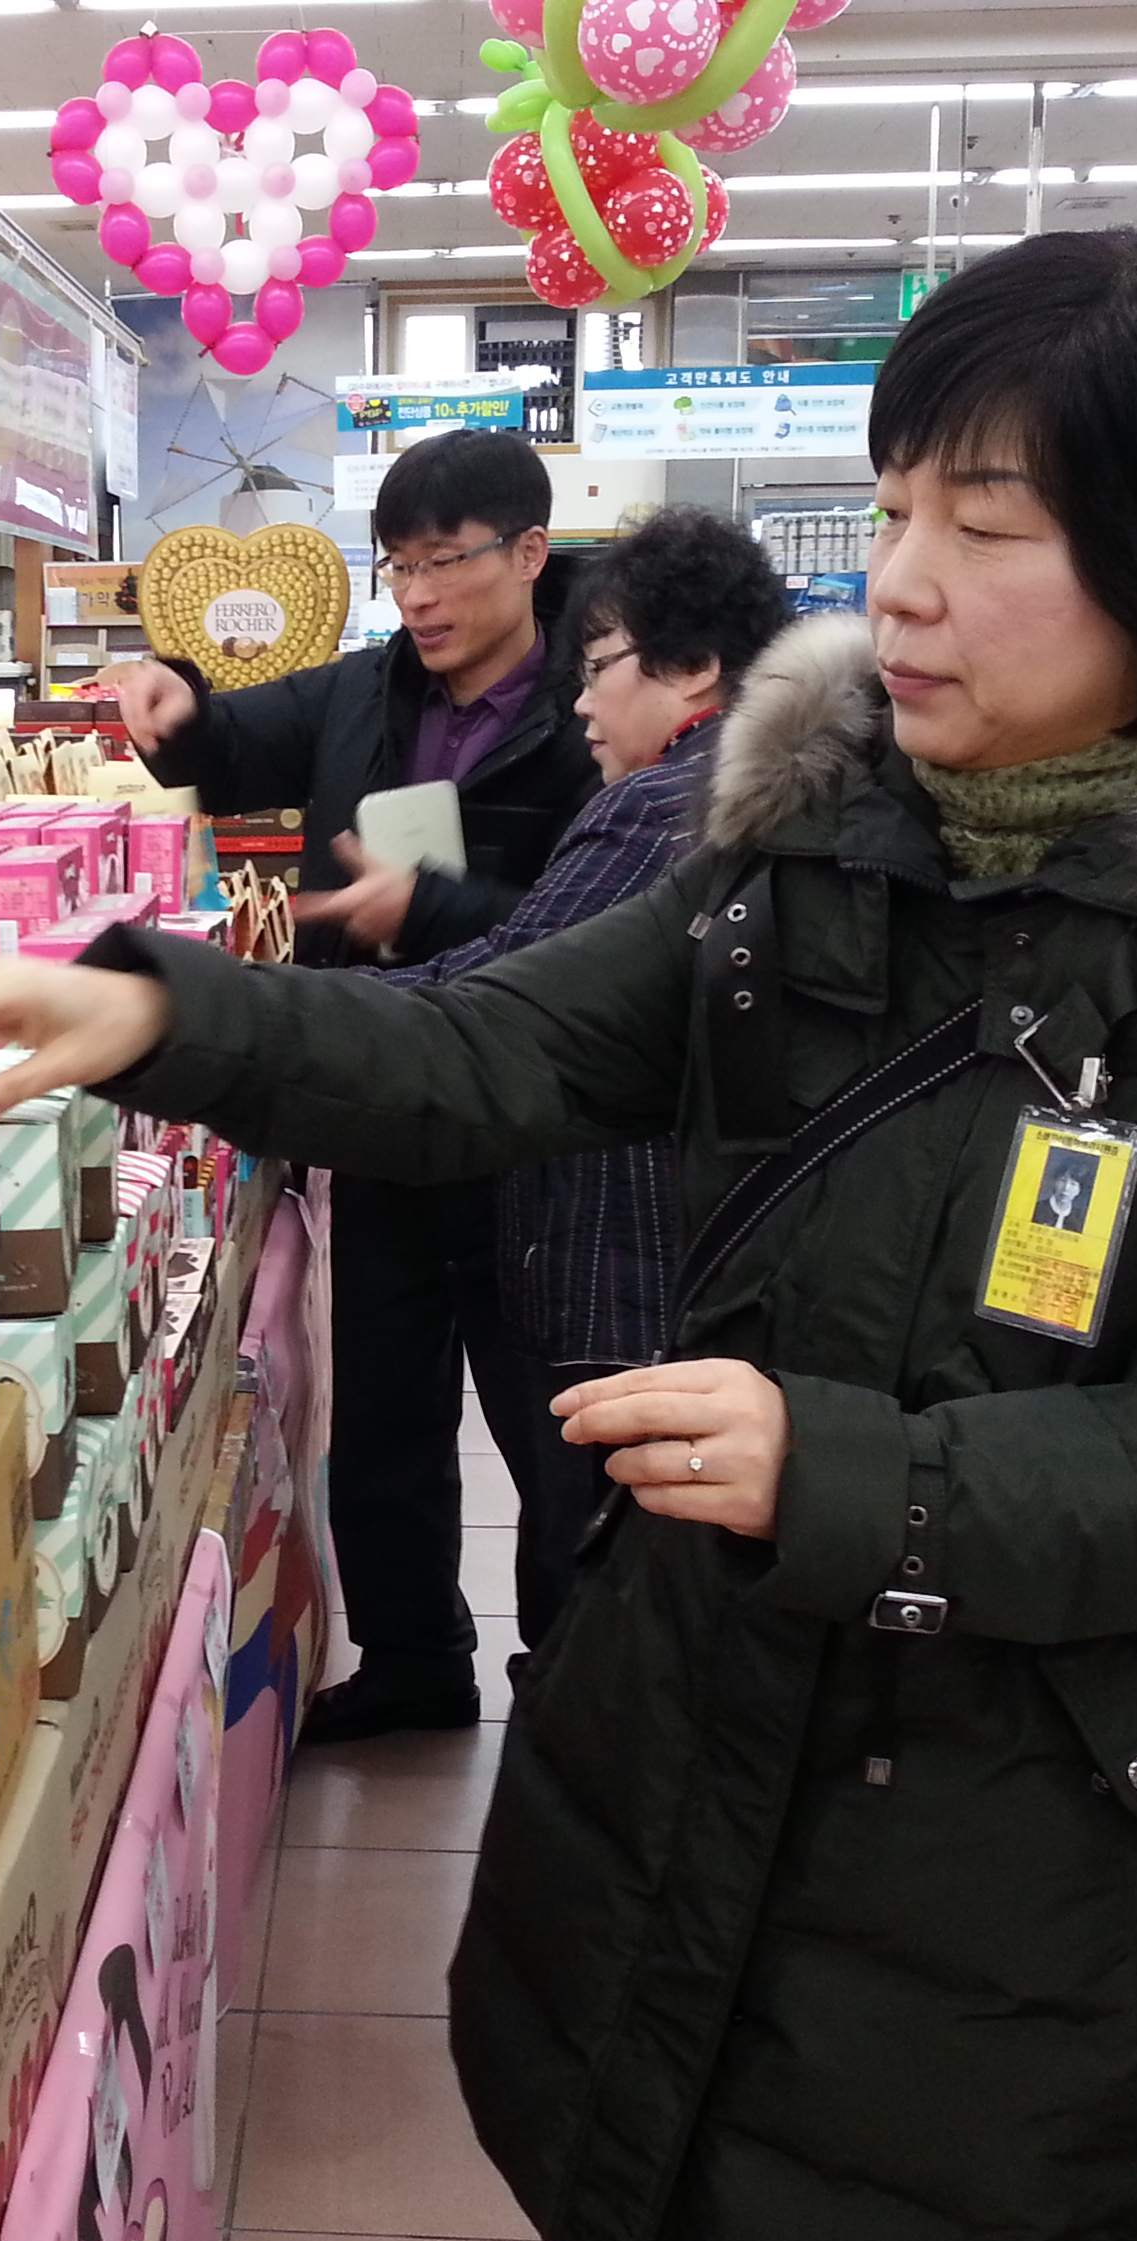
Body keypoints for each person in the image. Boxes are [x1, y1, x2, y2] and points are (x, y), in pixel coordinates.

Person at [0, 229, 1137, 2241]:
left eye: (984, 528)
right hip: (730, 1721)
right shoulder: (806, 842)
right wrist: (164, 1010)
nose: (898, 582)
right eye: (898, 503)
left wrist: (855, 1476)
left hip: (1037, 1825)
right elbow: (487, 1052)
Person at [105, 425, 604, 1742]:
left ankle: (567, 1687)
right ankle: (413, 1663)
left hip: (536, 1130)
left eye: (447, 561)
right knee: (385, 1415)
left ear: (529, 553)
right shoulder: (365, 694)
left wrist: (433, 910)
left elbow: (613, 922)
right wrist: (171, 705)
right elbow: (226, 736)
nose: (421, 595)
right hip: (378, 1107)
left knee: (551, 1430)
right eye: (399, 566)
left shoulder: (592, 715)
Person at [369, 502, 791, 1654]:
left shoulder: (664, 808)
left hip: (625, 1262)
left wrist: (245, 1019)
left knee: (598, 1577)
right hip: (710, 1266)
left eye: (601, 668)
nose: (583, 703)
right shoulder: (773, 791)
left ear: (695, 664)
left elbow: (499, 1003)